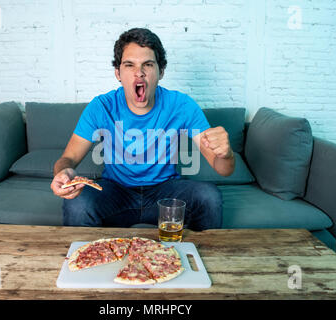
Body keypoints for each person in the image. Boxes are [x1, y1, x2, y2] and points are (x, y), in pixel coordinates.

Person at [50, 28, 235, 230]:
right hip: (116, 192)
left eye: (148, 64)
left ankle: (201, 259)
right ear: (118, 73)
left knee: (209, 196)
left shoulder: (182, 105)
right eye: (129, 65)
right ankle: (83, 260)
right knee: (77, 202)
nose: (139, 72)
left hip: (165, 193)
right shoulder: (101, 106)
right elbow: (67, 159)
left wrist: (226, 155)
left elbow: (223, 169)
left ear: (160, 72)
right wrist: (63, 173)